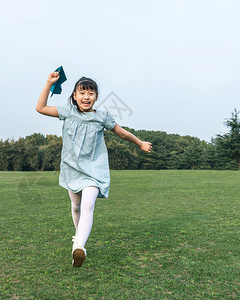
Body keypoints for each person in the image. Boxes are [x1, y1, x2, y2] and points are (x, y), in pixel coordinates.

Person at [36, 70, 152, 267]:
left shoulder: (102, 117)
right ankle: (78, 240)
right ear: (74, 96)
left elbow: (122, 133)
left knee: (88, 204)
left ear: (96, 97)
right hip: (72, 169)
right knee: (76, 206)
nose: (86, 97)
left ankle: (79, 246)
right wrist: (49, 82)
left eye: (90, 93)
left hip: (94, 170)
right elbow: (40, 108)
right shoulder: (67, 112)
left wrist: (140, 143)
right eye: (82, 93)